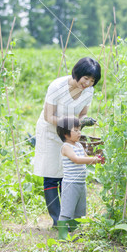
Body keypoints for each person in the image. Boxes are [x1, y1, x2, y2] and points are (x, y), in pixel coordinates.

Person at [33, 57, 101, 227]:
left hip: (70, 134)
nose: (87, 83)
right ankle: (57, 220)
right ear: (77, 73)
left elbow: (82, 114)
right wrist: (73, 124)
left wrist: (85, 121)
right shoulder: (57, 86)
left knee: (68, 174)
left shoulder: (88, 91)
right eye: (86, 78)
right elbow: (49, 117)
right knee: (51, 176)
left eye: (92, 81)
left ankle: (68, 217)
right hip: (50, 131)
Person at [55, 117, 104, 240]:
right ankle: (62, 234)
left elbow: (86, 158)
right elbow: (77, 160)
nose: (79, 132)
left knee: (80, 210)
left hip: (81, 183)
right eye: (75, 130)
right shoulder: (66, 147)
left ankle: (76, 232)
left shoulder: (79, 145)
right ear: (66, 134)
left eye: (79, 130)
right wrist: (94, 159)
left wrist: (97, 159)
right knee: (67, 209)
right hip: (70, 184)